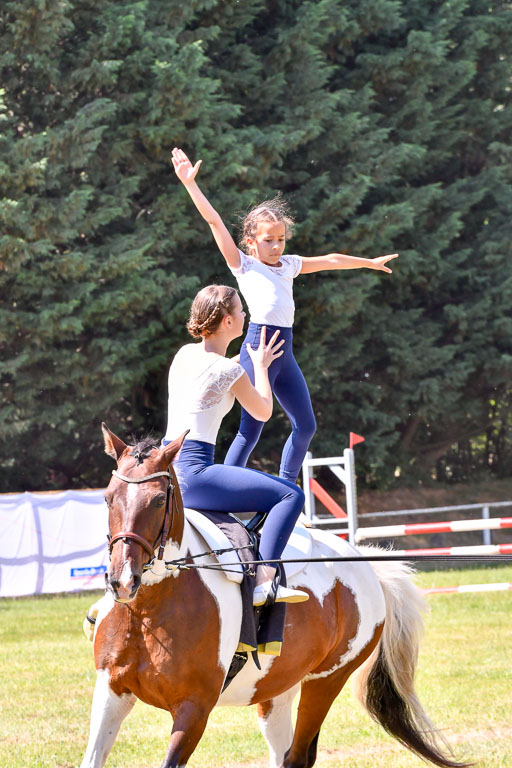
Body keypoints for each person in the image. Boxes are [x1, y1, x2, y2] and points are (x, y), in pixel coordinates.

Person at [171, 147, 398, 483]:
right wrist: (190, 184)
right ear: (251, 243)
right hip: (258, 347)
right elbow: (214, 221)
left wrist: (368, 262)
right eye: (268, 241)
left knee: (306, 426)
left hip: (284, 349)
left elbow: (331, 259)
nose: (276, 246)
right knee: (251, 428)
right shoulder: (243, 265)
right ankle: (228, 490)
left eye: (280, 239)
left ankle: (288, 486)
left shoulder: (288, 265)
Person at [163, 284, 308, 607]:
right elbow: (263, 411)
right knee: (290, 494)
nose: (245, 315)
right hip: (195, 471)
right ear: (228, 321)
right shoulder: (231, 370)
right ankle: (265, 580)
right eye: (241, 311)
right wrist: (259, 365)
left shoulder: (185, 354)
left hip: (167, 469)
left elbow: (212, 373)